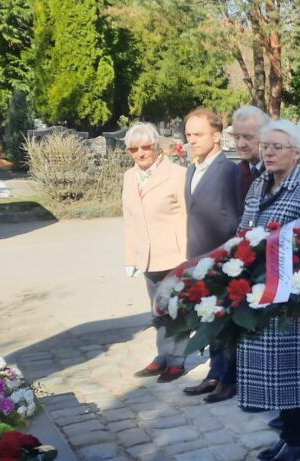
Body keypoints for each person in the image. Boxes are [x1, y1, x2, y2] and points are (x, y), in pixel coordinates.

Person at [235, 120, 300, 461]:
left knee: (295, 369)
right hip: (260, 289)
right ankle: (287, 435)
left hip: (291, 292)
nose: (268, 152)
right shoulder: (259, 184)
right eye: (265, 146)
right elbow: (243, 227)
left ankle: (299, 440)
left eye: (276, 147)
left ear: (296, 153)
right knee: (276, 371)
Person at [179, 108, 245, 403]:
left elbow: (235, 215)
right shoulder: (192, 170)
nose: (191, 140)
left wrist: (230, 258)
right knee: (209, 319)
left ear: (216, 136)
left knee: (225, 321)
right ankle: (215, 373)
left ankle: (228, 378)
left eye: (198, 134)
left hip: (223, 259)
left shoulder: (229, 170)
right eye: (188, 134)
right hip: (198, 258)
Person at [122, 123, 189, 383]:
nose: (140, 153)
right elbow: (129, 220)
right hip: (147, 256)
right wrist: (131, 258)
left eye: (145, 147)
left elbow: (187, 215)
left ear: (157, 146)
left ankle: (177, 360)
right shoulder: (129, 177)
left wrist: (188, 255)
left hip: (174, 254)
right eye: (133, 149)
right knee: (157, 309)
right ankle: (163, 355)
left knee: (176, 309)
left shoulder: (176, 174)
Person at [232, 106, 269, 201]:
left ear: (265, 136)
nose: (240, 144)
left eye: (248, 137)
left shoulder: (279, 173)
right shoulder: (232, 174)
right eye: (237, 137)